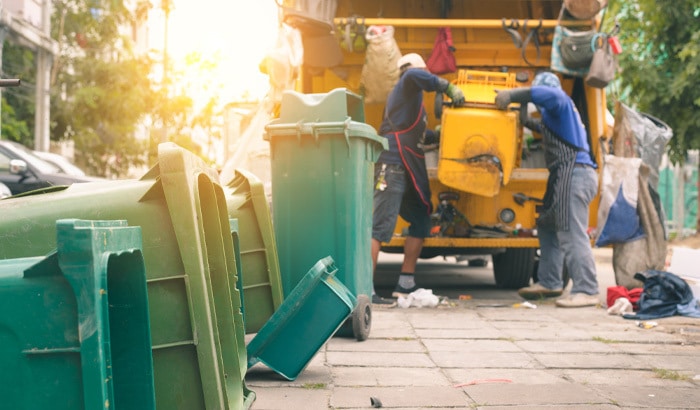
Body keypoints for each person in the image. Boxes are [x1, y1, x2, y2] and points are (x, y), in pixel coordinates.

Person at [494, 71, 600, 307]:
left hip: (574, 174)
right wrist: (520, 111)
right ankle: (551, 281)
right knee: (547, 225)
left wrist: (511, 94)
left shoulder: (560, 100)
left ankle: (587, 289)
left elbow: (549, 94)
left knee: (570, 231)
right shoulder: (557, 118)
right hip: (565, 175)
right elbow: (535, 125)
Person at [371, 53, 465, 305]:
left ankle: (406, 282)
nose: (424, 74)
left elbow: (416, 133)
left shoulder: (411, 101)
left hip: (408, 166)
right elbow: (414, 75)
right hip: (392, 164)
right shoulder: (407, 81)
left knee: (421, 220)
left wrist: (440, 135)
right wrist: (448, 87)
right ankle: (364, 288)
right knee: (380, 227)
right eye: (423, 70)